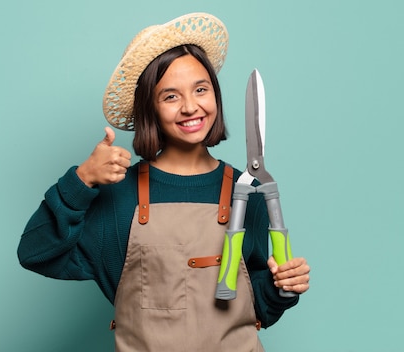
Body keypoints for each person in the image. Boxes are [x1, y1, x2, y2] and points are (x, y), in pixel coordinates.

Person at [17, 12, 310, 351]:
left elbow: (256, 307)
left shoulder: (248, 191)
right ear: (150, 110)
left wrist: (280, 286)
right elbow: (34, 252)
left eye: (201, 89)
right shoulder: (119, 197)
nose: (190, 107)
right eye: (170, 96)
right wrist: (81, 181)